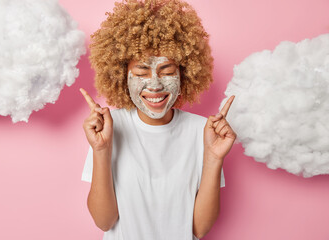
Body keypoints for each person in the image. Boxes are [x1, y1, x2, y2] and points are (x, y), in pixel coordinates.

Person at [80, 0, 237, 239]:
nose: (155, 84)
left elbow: (199, 229)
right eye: (142, 72)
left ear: (185, 73)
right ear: (122, 76)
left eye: (167, 71)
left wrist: (214, 157)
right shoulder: (109, 128)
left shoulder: (203, 132)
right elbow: (104, 221)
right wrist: (101, 149)